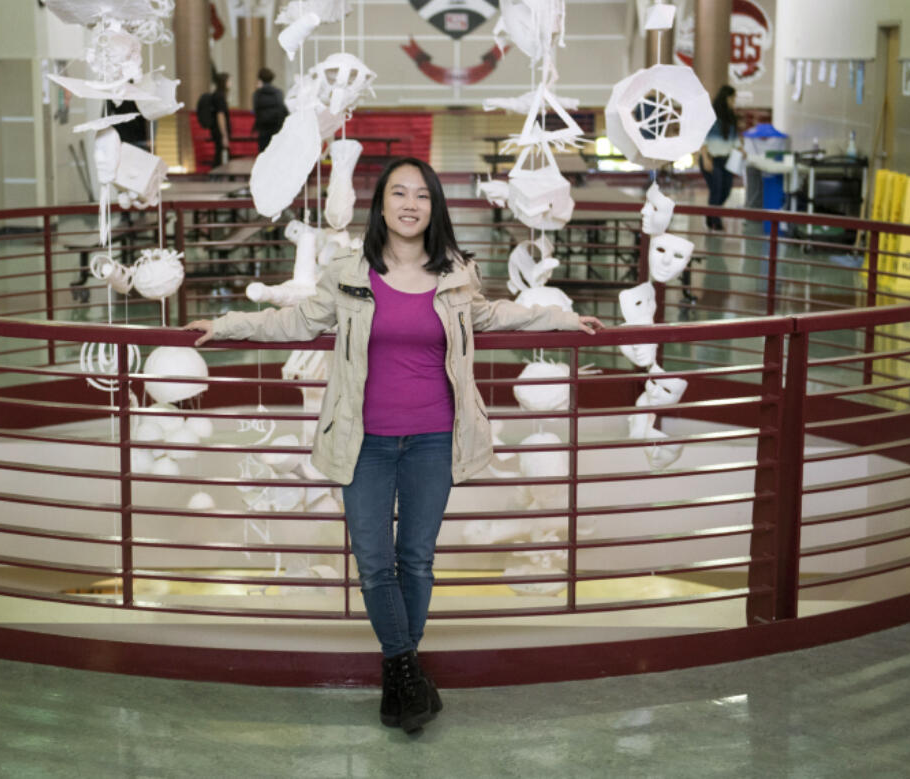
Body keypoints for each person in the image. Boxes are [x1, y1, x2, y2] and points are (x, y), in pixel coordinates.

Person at [186, 158, 604, 733]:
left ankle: (399, 677)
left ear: (434, 207)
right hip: (364, 440)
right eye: (398, 194)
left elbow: (491, 315)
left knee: (417, 559)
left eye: (422, 196)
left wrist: (559, 319)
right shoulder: (347, 272)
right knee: (375, 563)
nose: (410, 204)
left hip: (434, 437)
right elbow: (294, 323)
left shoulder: (457, 274)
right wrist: (229, 324)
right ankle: (405, 668)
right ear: (380, 205)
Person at [698, 84, 742, 230]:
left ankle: (711, 214)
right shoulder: (710, 116)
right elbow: (702, 139)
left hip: (727, 160)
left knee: (726, 189)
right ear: (727, 98)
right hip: (712, 158)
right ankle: (715, 220)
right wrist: (705, 158)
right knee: (716, 189)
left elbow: (734, 139)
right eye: (733, 98)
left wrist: (742, 150)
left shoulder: (731, 117)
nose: (734, 102)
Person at [196, 72, 231, 168]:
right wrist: (224, 135)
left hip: (216, 130)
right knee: (220, 155)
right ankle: (216, 175)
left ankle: (217, 175)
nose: (230, 83)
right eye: (229, 81)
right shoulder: (220, 96)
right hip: (219, 130)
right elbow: (220, 116)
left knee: (219, 153)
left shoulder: (217, 95)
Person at [251, 67, 287, 152]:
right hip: (276, 127)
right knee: (275, 152)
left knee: (263, 153)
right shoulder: (278, 93)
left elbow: (256, 110)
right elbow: (281, 109)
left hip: (263, 129)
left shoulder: (257, 94)